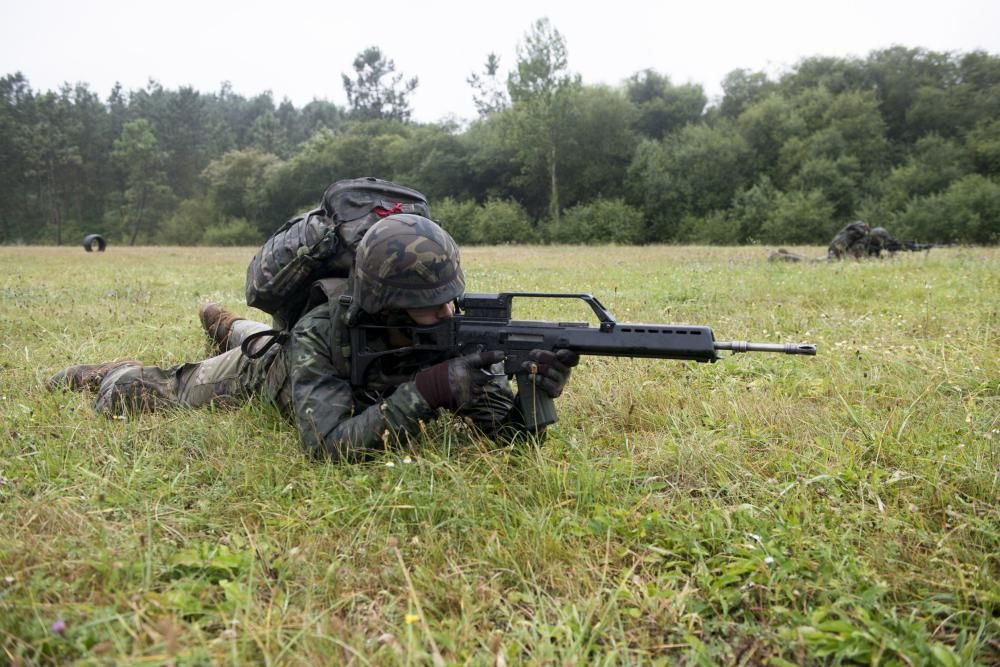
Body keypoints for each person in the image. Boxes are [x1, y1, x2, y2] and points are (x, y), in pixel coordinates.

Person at [48, 214, 579, 461]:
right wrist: (430, 391)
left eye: (450, 297)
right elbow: (325, 444)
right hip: (272, 373)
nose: (447, 311)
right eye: (428, 305)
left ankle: (226, 324)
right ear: (386, 304)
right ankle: (109, 370)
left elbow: (511, 440)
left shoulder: (451, 327)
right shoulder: (324, 331)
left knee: (244, 332)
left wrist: (535, 394)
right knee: (166, 387)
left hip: (292, 350)